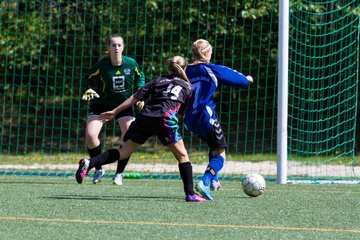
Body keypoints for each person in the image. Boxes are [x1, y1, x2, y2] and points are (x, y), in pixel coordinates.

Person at [76, 56, 206, 202]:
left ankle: (90, 163)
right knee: (182, 156)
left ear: (168, 69)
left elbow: (135, 97)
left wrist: (115, 111)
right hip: (165, 119)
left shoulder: (157, 80)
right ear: (185, 69)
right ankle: (190, 194)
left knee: (123, 152)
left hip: (146, 117)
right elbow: (182, 111)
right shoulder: (188, 87)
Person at [183, 39, 254, 201]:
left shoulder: (185, 70)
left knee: (213, 144)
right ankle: (205, 181)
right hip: (205, 116)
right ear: (207, 53)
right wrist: (247, 79)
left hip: (189, 120)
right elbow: (236, 77)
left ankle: (214, 180)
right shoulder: (209, 68)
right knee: (221, 154)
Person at [82, 34, 145, 185]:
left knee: (129, 137)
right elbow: (87, 79)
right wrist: (88, 89)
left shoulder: (131, 64)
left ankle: (119, 173)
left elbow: (140, 76)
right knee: (91, 135)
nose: (116, 48)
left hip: (124, 106)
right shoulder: (102, 66)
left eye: (119, 45)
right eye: (113, 45)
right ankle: (98, 168)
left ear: (123, 47)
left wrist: (141, 94)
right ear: (108, 48)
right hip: (102, 105)